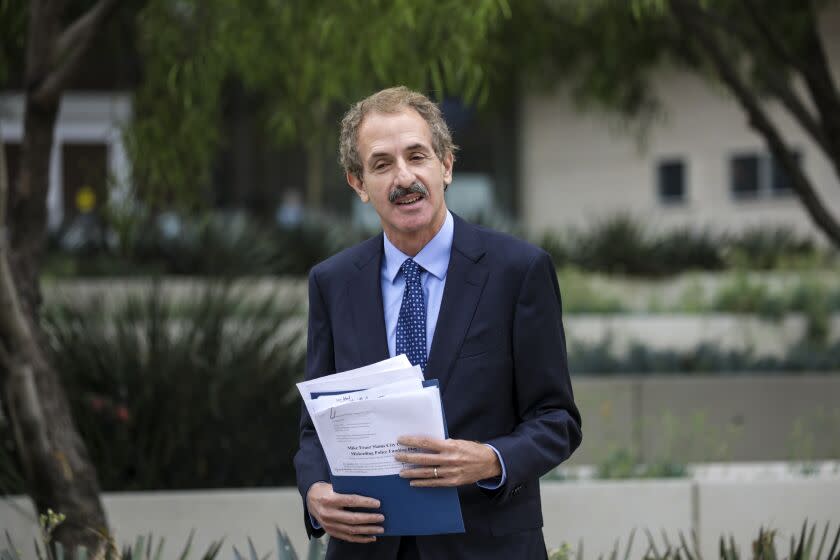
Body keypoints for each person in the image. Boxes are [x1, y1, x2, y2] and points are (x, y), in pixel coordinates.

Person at [293, 86, 582, 560]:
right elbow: (315, 426)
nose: (404, 177)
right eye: (382, 164)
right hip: (366, 548)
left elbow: (557, 420)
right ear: (358, 183)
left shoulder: (518, 271)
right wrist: (314, 490)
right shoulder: (332, 282)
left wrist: (490, 460)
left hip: (487, 546)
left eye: (417, 156)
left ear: (445, 165)